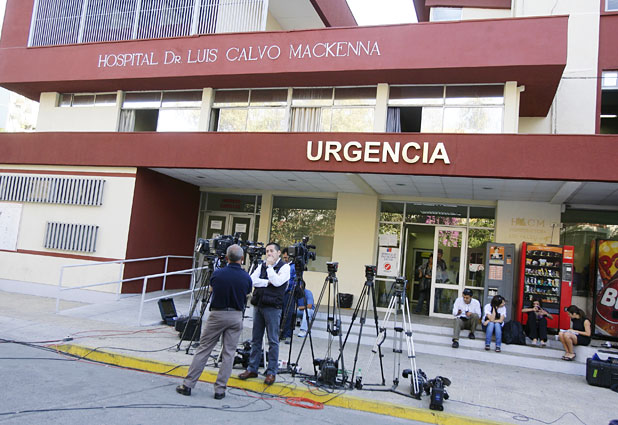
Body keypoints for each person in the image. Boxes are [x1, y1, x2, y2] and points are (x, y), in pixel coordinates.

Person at [175, 244, 252, 400]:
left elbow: (211, 290)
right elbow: (248, 294)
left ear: (227, 258)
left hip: (217, 314)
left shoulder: (218, 274)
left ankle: (188, 384)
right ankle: (220, 390)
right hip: (236, 315)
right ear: (242, 259)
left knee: (204, 349)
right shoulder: (246, 277)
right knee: (229, 353)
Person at [238, 242, 290, 385]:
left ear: (278, 253)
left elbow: (278, 282)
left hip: (273, 307)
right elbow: (252, 280)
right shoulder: (262, 265)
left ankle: (271, 372)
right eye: (267, 251)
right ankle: (252, 368)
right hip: (258, 305)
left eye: (272, 251)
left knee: (273, 340)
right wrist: (267, 282)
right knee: (256, 339)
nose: (269, 254)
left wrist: (270, 268)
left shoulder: (285, 267)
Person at [280, 247, 297, 342]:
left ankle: (287, 334)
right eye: (284, 257)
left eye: (286, 257)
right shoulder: (283, 265)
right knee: (281, 313)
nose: (285, 259)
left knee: (288, 314)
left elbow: (294, 280)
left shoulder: (294, 266)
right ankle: (280, 333)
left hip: (290, 293)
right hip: (282, 292)